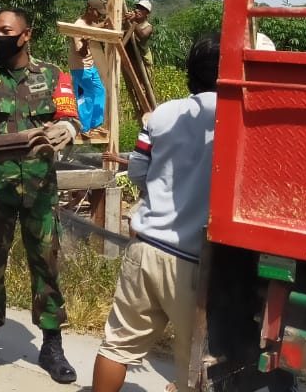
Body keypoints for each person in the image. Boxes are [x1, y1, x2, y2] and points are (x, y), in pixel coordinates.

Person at [0, 8, 81, 384]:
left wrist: (66, 130)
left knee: (46, 266)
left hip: (40, 190)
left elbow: (70, 117)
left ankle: (51, 345)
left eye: (5, 30)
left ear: (25, 35)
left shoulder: (52, 75)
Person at [93, 33, 220, 392]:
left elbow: (136, 171)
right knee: (195, 364)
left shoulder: (162, 114)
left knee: (117, 345)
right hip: (194, 260)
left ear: (190, 72)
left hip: (146, 248)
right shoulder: (234, 121)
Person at [69, 0, 109, 137]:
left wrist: (103, 25)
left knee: (100, 91)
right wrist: (85, 43)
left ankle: (95, 124)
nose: (99, 16)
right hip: (80, 67)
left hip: (89, 66)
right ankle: (84, 128)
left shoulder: (89, 22)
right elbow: (81, 52)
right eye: (98, 13)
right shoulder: (78, 26)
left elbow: (93, 28)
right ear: (91, 10)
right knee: (86, 96)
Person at [125, 0, 155, 80]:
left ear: (147, 13)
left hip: (142, 62)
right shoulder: (130, 23)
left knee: (144, 87)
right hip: (131, 61)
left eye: (141, 9)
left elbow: (142, 36)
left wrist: (133, 21)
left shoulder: (148, 27)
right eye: (137, 8)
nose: (137, 10)